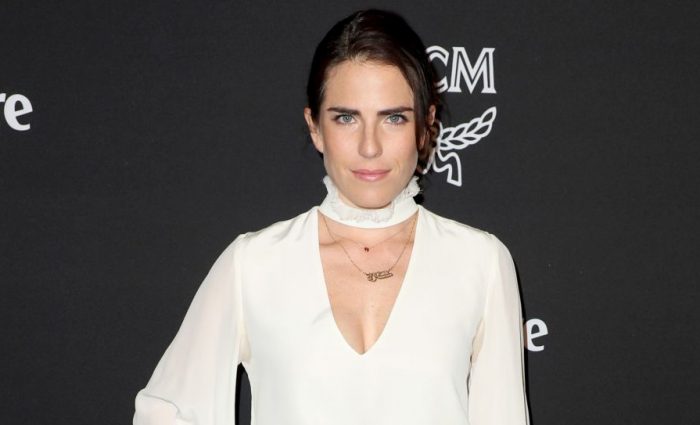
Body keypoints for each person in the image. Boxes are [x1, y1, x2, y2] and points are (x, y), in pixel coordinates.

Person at [134, 9, 529, 425]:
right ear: (315, 127)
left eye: (394, 118)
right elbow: (167, 411)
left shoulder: (480, 262)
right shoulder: (254, 263)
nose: (370, 147)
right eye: (346, 118)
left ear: (426, 126)